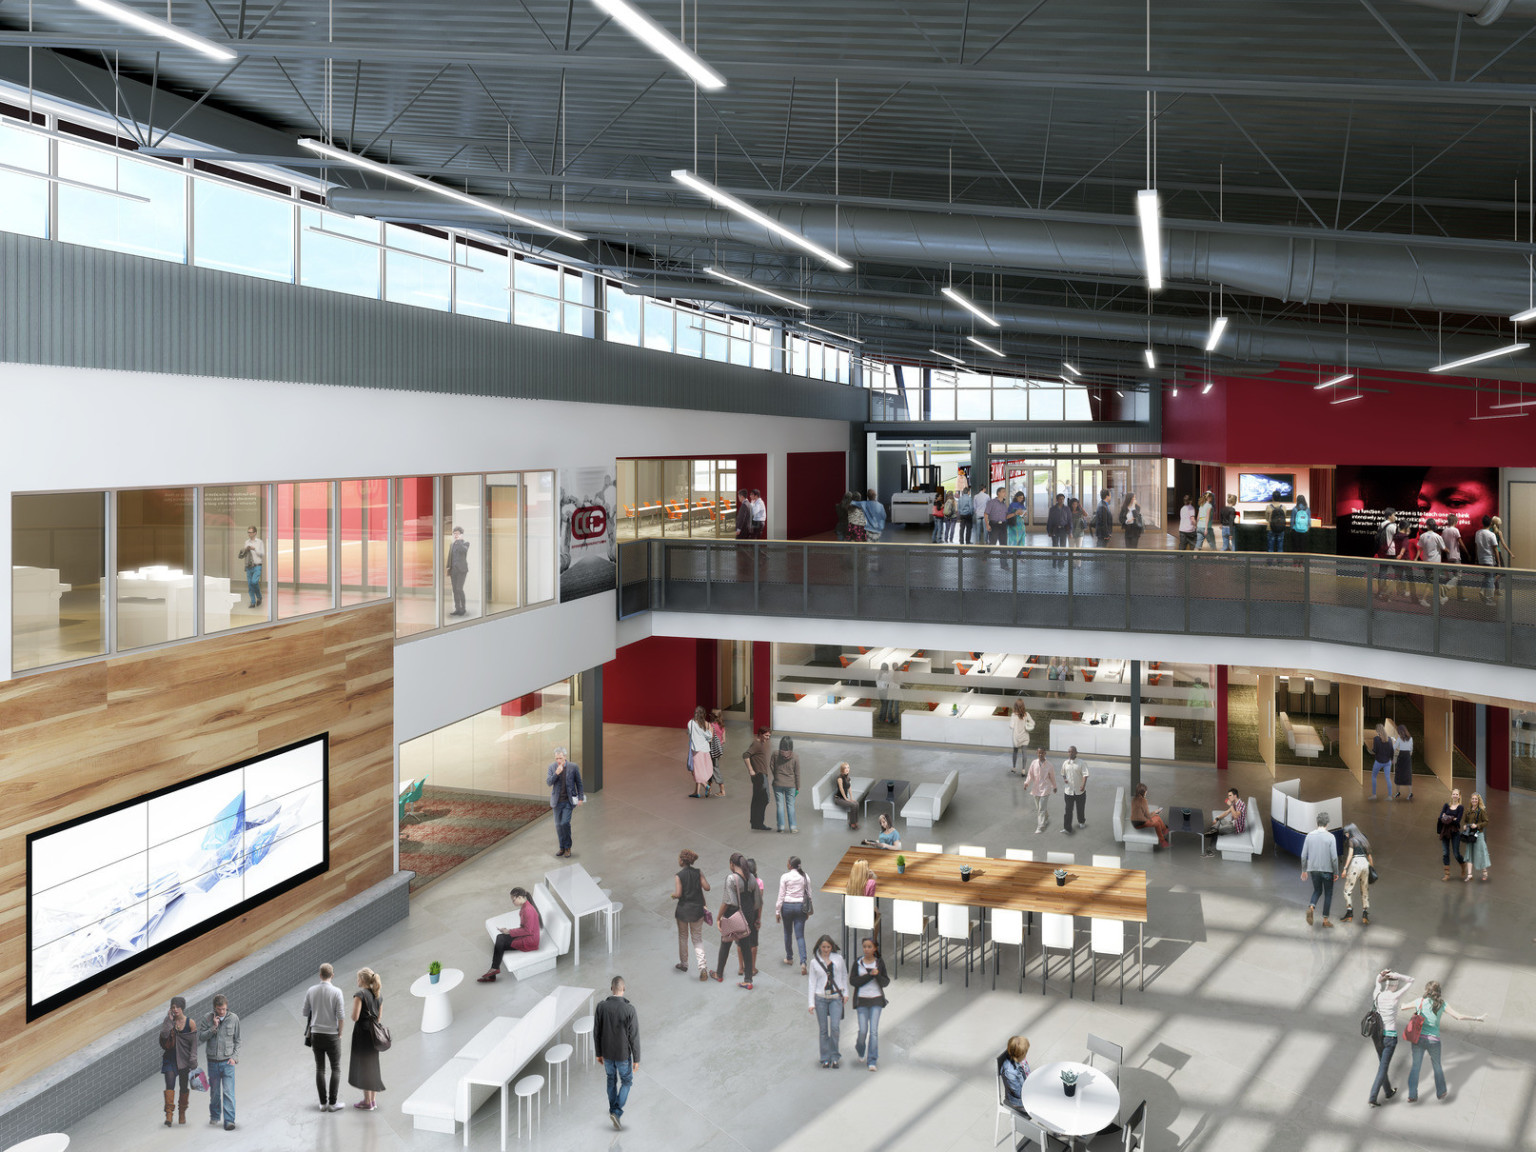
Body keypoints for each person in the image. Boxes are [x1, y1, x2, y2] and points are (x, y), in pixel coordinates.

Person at [1406, 980, 1485, 1102]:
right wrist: (1476, 1018)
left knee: (1416, 1066)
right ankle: (1441, 1092)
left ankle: (1412, 1095)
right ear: (1438, 992)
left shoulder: (1419, 1001)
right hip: (1434, 1041)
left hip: (1419, 1039)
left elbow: (1403, 1007)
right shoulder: (1442, 1005)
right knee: (1437, 1065)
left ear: (1427, 991)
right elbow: (1458, 1016)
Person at [594, 975, 641, 1130]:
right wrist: (636, 1059)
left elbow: (597, 1032)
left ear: (611, 988)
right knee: (627, 1081)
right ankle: (616, 1111)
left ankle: (613, 1109)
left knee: (611, 1079)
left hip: (606, 1053)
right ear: (624, 989)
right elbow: (633, 1036)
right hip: (623, 1055)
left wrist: (598, 1053)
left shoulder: (601, 1007)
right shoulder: (629, 1010)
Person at [302, 963, 345, 1111]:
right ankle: (333, 1104)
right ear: (332, 975)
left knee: (320, 1069)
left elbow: (305, 1012)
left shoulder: (311, 990)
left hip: (316, 1035)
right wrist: (340, 1032)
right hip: (332, 1035)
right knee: (336, 1068)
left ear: (320, 975)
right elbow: (341, 1016)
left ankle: (322, 1103)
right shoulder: (337, 992)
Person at [1367, 970, 1413, 1106]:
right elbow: (1411, 980)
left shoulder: (1377, 994)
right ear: (1395, 986)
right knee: (1383, 1068)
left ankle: (1388, 1091)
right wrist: (1399, 975)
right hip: (1390, 1038)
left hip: (1377, 1036)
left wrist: (1381, 975)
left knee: (1383, 1065)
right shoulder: (1395, 996)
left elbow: (1377, 981)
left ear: (1386, 984)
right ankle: (1372, 1098)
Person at [712, 853, 758, 989]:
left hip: (733, 915)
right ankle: (748, 980)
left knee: (725, 943)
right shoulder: (752, 878)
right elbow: (757, 901)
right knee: (745, 945)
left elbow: (728, 901)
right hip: (747, 915)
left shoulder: (731, 879)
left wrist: (718, 917)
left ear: (732, 864)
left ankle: (719, 974)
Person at [477, 886, 541, 981]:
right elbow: (525, 928)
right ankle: (494, 970)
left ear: (520, 897)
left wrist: (509, 931)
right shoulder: (525, 907)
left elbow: (528, 930)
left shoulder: (528, 910)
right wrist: (508, 932)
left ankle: (494, 970)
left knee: (501, 941)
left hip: (530, 941)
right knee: (500, 938)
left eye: (513, 900)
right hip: (526, 936)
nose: (513, 902)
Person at [849, 936, 890, 1071]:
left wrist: (877, 975)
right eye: (864, 946)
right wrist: (870, 975)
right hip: (862, 1000)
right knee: (863, 1031)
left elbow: (885, 982)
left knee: (873, 1031)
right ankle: (860, 1048)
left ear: (875, 949)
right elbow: (854, 982)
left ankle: (872, 1060)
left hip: (876, 999)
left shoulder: (879, 963)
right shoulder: (858, 963)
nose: (866, 949)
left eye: (869, 947)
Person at [807, 934, 849, 1068]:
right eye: (824, 947)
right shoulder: (815, 962)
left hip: (836, 997)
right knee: (823, 1029)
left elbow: (843, 975)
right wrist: (811, 1003)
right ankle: (825, 1057)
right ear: (819, 947)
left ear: (832, 947)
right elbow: (812, 983)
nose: (826, 949)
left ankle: (835, 1056)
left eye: (828, 947)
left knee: (835, 1028)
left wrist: (845, 993)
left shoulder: (838, 959)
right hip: (821, 998)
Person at [200, 993, 240, 1130]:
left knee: (228, 1092)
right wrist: (213, 1027)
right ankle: (215, 1116)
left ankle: (229, 1121)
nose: (222, 1012)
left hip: (228, 1062)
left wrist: (234, 1058)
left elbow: (238, 1040)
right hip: (213, 1063)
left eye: (224, 1009)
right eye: (219, 1009)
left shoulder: (234, 1019)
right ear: (215, 1008)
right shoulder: (207, 1018)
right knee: (215, 1093)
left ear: (226, 1007)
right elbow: (201, 1037)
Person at [158, 995, 198, 1127]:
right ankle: (169, 1115)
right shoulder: (168, 1021)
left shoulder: (190, 1023)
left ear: (182, 1008)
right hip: (170, 1059)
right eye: (173, 1007)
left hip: (184, 1060)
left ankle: (182, 1113)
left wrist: (193, 1059)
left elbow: (193, 1044)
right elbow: (164, 1036)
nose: (175, 1009)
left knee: (183, 1087)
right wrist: (169, 1021)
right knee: (169, 1085)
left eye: (177, 1007)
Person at [348, 969, 385, 1110]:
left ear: (362, 980)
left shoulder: (359, 995)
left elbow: (355, 1017)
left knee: (364, 1068)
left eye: (357, 978)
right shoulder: (378, 996)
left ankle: (367, 1102)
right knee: (373, 1066)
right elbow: (378, 1018)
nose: (356, 981)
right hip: (374, 1035)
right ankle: (373, 1101)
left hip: (362, 1035)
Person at [672, 850, 712, 979]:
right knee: (697, 939)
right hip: (697, 911)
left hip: (683, 911)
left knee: (683, 937)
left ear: (682, 861)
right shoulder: (698, 872)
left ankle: (684, 964)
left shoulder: (679, 876)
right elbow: (707, 887)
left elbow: (678, 894)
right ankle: (703, 968)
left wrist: (673, 895)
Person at [1300, 812, 1339, 927]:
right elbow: (1334, 858)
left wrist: (1304, 870)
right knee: (1328, 894)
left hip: (1313, 870)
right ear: (1327, 823)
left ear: (1317, 822)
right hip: (1327, 871)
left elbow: (1303, 855)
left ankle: (1311, 907)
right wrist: (1336, 872)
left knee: (1317, 890)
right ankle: (1325, 921)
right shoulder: (1331, 837)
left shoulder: (1309, 835)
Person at [776, 855, 812, 973]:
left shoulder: (785, 877)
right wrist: (807, 911)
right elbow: (809, 895)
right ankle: (803, 962)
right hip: (800, 907)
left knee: (787, 932)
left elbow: (781, 895)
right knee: (800, 936)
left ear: (790, 865)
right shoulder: (805, 876)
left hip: (787, 907)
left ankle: (789, 958)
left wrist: (777, 911)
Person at [547, 746, 585, 857]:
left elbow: (579, 783)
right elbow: (549, 782)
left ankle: (568, 847)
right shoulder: (552, 767)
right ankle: (562, 847)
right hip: (556, 802)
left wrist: (580, 797)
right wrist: (556, 773)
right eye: (556, 758)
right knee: (558, 825)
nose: (558, 761)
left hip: (568, 801)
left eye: (560, 758)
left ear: (565, 757)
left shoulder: (573, 767)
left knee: (565, 823)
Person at [1339, 824, 1373, 925]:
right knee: (1364, 890)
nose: (1346, 836)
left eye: (1346, 834)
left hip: (1356, 864)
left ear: (1350, 832)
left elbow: (1350, 855)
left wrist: (1345, 868)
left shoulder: (1352, 840)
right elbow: (1369, 856)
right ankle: (1365, 914)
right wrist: (1371, 868)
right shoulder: (1364, 838)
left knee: (1347, 890)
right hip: (1365, 864)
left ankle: (1349, 913)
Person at [743, 726, 773, 830]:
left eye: (769, 735)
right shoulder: (756, 744)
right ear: (760, 734)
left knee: (757, 798)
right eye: (766, 735)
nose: (768, 737)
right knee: (764, 799)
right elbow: (745, 755)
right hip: (760, 775)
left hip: (761, 774)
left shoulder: (760, 744)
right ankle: (758, 823)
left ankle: (755, 822)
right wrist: (750, 770)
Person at [1202, 787, 1246, 857]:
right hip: (1231, 823)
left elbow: (1235, 816)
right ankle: (1213, 831)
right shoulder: (1235, 803)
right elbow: (1226, 812)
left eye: (1230, 795)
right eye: (1228, 795)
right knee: (1219, 820)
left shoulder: (1241, 805)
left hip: (1236, 827)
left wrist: (1230, 805)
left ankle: (1210, 851)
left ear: (1235, 796)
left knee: (1217, 832)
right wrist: (1217, 818)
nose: (1228, 797)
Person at [1023, 748, 1057, 834]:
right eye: (1039, 753)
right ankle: (1046, 815)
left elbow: (1052, 777)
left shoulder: (1049, 765)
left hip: (1045, 789)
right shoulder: (1034, 763)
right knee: (1039, 808)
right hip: (1036, 789)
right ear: (1037, 753)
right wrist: (1026, 783)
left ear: (1045, 753)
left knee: (1041, 809)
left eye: (1042, 753)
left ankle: (1040, 826)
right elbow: (1030, 774)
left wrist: (1054, 786)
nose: (1040, 755)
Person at [770, 735, 800, 832]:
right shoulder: (795, 756)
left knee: (780, 805)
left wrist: (777, 776)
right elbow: (797, 773)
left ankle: (781, 827)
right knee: (790, 805)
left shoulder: (775, 754)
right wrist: (798, 787)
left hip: (777, 784)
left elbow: (771, 766)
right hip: (791, 785)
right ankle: (793, 827)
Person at [1438, 789, 1467, 881]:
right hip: (1445, 831)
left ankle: (1463, 866)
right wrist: (1451, 818)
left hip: (1455, 832)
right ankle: (1447, 874)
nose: (1455, 795)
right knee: (1445, 853)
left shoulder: (1460, 807)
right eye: (1453, 794)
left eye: (1456, 794)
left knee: (1456, 853)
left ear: (1459, 796)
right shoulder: (1446, 805)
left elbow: (1457, 821)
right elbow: (1440, 817)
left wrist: (1446, 817)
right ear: (1451, 795)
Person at [1130, 781, 1170, 849]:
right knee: (1157, 823)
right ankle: (1163, 842)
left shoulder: (1134, 799)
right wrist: (1155, 812)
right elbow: (1147, 816)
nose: (1146, 792)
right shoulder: (1143, 801)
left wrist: (1154, 813)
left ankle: (1164, 829)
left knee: (1157, 817)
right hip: (1140, 823)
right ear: (1143, 792)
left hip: (1134, 821)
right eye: (1145, 791)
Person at [1416, 518, 1444, 607]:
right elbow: (1443, 547)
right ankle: (1423, 599)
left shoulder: (1423, 536)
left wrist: (1416, 558)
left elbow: (1420, 548)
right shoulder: (1437, 536)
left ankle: (1440, 598)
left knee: (1434, 580)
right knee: (1431, 581)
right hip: (1435, 563)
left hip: (1426, 562)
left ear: (1427, 526)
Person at [686, 706, 713, 799]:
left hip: (696, 751)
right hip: (705, 750)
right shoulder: (708, 724)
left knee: (695, 771)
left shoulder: (691, 723)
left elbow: (689, 733)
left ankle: (706, 786)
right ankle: (696, 792)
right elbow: (710, 738)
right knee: (700, 769)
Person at [1060, 745, 1088, 833]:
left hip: (1080, 791)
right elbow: (1063, 773)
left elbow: (1085, 775)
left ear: (1076, 753)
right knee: (1068, 810)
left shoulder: (1081, 762)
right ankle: (1067, 828)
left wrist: (1083, 785)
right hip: (1068, 791)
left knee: (1080, 808)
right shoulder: (1065, 763)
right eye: (1069, 751)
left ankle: (1081, 821)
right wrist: (1064, 778)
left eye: (1072, 751)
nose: (1070, 753)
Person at [1000, 1035, 1031, 1112]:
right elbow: (1019, 1093)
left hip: (1027, 1089)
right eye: (1025, 1053)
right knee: (1041, 1109)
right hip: (1019, 1102)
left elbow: (1027, 1073)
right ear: (1020, 1054)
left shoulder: (1020, 1059)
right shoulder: (1010, 1072)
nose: (1026, 1055)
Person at [1464, 792, 1491, 881]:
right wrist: (1466, 826)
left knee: (1480, 853)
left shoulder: (1482, 811)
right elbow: (1466, 821)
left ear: (1478, 800)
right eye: (1473, 799)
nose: (1474, 800)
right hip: (1470, 835)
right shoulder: (1468, 811)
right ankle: (1469, 874)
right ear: (1471, 800)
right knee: (1469, 853)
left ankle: (1484, 872)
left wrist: (1477, 826)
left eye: (1476, 799)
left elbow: (1486, 822)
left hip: (1478, 834)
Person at [236, 526, 264, 609]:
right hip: (249, 566)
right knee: (250, 585)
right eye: (248, 532)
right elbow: (245, 555)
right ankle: (253, 602)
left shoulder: (259, 542)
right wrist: (245, 550)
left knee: (254, 582)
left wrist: (254, 549)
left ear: (255, 533)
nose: (249, 534)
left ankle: (259, 597)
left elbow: (262, 554)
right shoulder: (246, 542)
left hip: (257, 566)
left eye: (251, 532)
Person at [445, 525, 470, 616]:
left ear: (461, 534)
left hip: (462, 570)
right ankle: (457, 609)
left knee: (459, 589)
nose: (455, 535)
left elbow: (463, 551)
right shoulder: (452, 545)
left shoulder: (465, 543)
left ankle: (463, 609)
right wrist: (448, 567)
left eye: (457, 534)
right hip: (453, 570)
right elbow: (449, 557)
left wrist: (459, 541)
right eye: (454, 534)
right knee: (455, 590)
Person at [1440, 514, 1466, 601]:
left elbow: (1442, 544)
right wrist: (1467, 553)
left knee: (1458, 577)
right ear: (1455, 521)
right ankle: (1446, 587)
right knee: (1458, 576)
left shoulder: (1444, 531)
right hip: (1456, 556)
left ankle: (1460, 596)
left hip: (1449, 556)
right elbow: (1461, 542)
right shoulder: (1455, 530)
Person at [829, 760, 859, 830]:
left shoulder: (848, 778)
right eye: (845, 768)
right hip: (838, 799)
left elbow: (849, 788)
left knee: (856, 803)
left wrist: (851, 798)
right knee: (853, 805)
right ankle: (852, 824)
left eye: (848, 767)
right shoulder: (840, 778)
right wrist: (846, 798)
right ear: (842, 770)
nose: (847, 769)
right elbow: (841, 789)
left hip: (844, 798)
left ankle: (855, 822)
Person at [1008, 698, 1035, 774]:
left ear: (1015, 706)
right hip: (1025, 736)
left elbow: (1011, 726)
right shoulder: (1026, 714)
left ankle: (1014, 767)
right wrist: (1027, 725)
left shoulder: (1013, 715)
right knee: (1024, 752)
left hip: (1016, 737)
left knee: (1015, 752)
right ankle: (1023, 770)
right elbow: (1033, 723)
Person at [1046, 493, 1072, 567]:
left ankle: (1061, 562)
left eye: (1063, 499)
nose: (1061, 500)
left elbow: (1069, 520)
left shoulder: (1067, 509)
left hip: (1063, 529)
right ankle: (1054, 561)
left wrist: (1070, 532)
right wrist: (1049, 531)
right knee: (1055, 545)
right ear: (1057, 500)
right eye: (1060, 499)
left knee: (1063, 546)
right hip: (1055, 529)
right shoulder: (1052, 509)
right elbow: (1050, 520)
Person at [1370, 723, 1394, 800]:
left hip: (1379, 762)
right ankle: (1390, 796)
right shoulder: (1389, 739)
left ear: (1377, 731)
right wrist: (1392, 758)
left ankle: (1374, 795)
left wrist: (1372, 749)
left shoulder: (1376, 739)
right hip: (1387, 762)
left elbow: (1375, 751)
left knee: (1374, 776)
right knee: (1388, 778)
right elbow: (1392, 751)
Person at [706, 708, 727, 799]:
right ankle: (708, 788)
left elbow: (710, 739)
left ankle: (722, 790)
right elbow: (724, 740)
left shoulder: (711, 725)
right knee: (711, 767)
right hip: (719, 749)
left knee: (714, 768)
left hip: (712, 749)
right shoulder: (721, 725)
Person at [1393, 726, 1415, 800]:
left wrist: (1393, 742)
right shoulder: (1411, 738)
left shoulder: (1399, 739)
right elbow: (1411, 750)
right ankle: (1410, 793)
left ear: (1400, 732)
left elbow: (1394, 747)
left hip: (1401, 757)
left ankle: (1398, 792)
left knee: (1398, 775)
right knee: (1408, 775)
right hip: (1408, 758)